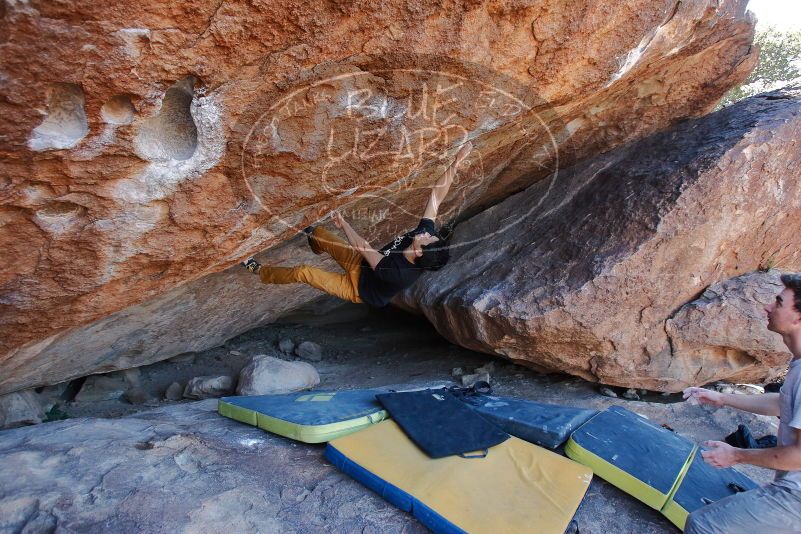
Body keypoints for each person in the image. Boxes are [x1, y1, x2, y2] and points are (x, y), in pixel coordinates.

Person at [242, 142, 473, 307]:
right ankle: (314, 240)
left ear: (418, 252)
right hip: (362, 264)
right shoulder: (424, 236)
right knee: (320, 234)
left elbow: (362, 246)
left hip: (357, 289)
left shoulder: (399, 274)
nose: (426, 234)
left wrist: (344, 225)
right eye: (429, 235)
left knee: (304, 272)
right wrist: (456, 163)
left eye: (426, 239)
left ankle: (260, 270)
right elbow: (437, 196)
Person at [682, 273, 801, 533]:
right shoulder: (798, 364)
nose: (768, 307)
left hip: (795, 499)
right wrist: (722, 398)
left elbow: (799, 457)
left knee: (702, 525)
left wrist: (735, 455)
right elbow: (783, 404)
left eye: (779, 302)